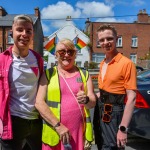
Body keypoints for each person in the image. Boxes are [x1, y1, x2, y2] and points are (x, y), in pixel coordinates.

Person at [35, 38, 96, 150]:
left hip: (77, 133)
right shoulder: (48, 74)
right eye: (62, 52)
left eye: (70, 52)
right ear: (56, 55)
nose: (66, 55)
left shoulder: (84, 75)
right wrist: (58, 126)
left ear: (75, 54)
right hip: (54, 131)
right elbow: (39, 103)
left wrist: (86, 100)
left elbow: (92, 103)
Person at [0, 15, 44, 150]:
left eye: (28, 31)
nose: (24, 34)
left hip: (36, 121)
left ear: (32, 34)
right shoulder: (2, 59)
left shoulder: (38, 59)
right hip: (13, 121)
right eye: (20, 30)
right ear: (12, 32)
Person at [93, 24, 137, 150]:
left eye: (109, 38)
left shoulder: (126, 63)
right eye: (102, 40)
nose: (105, 42)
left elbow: (132, 97)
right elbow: (104, 92)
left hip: (115, 112)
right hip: (100, 109)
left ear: (116, 39)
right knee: (102, 144)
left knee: (112, 147)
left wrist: (123, 128)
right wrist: (88, 97)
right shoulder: (103, 63)